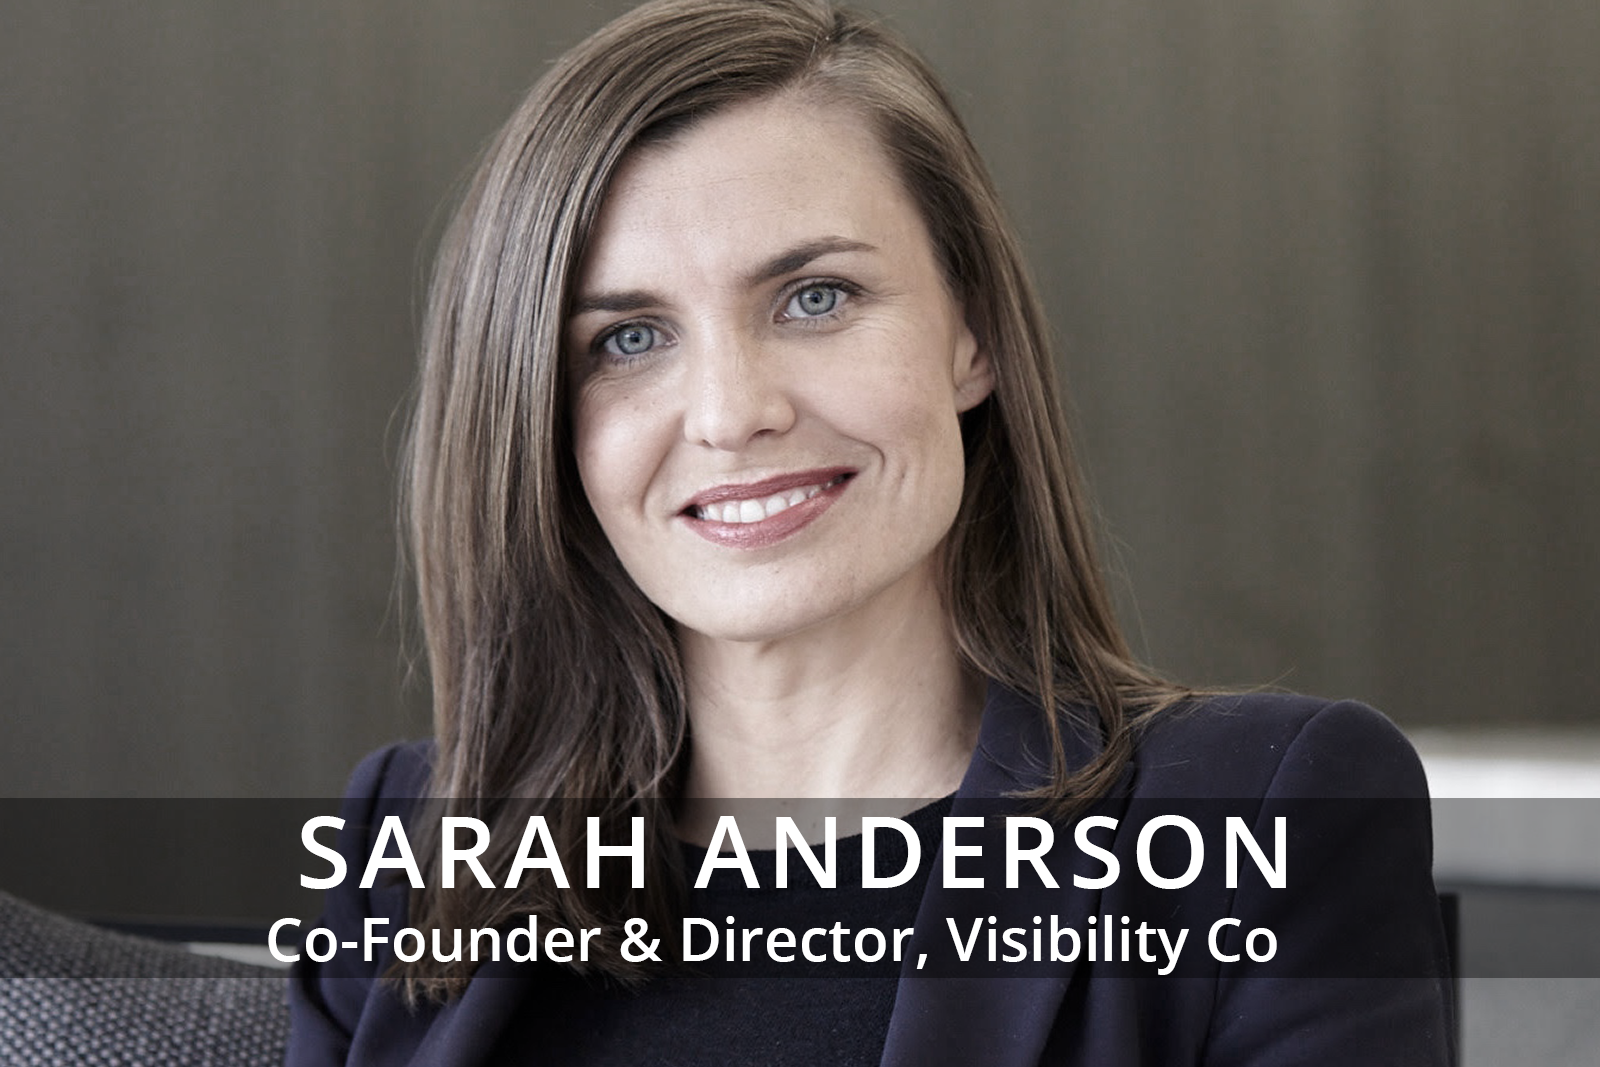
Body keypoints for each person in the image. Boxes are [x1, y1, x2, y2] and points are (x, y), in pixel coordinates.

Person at [287, 1, 1454, 1063]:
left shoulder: (1264, 811)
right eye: (628, 339)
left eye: (816, 298)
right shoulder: (418, 840)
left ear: (972, 334)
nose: (732, 411)